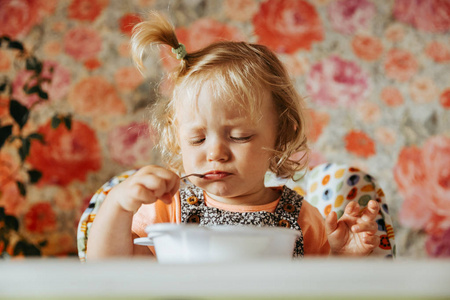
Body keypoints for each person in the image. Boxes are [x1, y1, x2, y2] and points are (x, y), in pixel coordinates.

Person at [87, 11, 380, 259]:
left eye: (239, 136)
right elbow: (108, 273)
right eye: (197, 139)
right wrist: (119, 206)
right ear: (178, 140)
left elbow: (319, 291)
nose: (216, 153)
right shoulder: (167, 209)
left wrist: (344, 259)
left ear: (279, 136)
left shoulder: (304, 220)